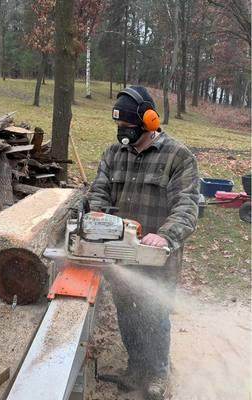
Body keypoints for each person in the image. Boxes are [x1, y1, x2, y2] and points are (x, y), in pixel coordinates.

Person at [88, 86, 200, 399]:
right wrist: (96, 217)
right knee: (126, 310)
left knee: (155, 312)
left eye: (129, 129)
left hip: (157, 255)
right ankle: (136, 367)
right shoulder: (114, 154)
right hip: (120, 252)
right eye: (119, 128)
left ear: (150, 121)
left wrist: (164, 234)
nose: (123, 135)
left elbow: (187, 206)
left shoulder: (178, 157)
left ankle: (158, 374)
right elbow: (99, 191)